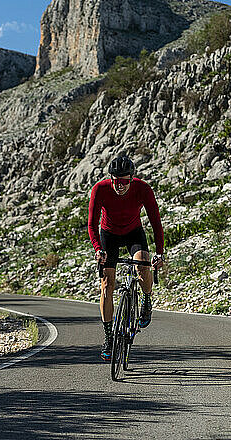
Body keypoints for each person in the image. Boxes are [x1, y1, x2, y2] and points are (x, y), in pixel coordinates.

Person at [88, 154, 164, 362]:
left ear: (132, 178)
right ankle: (109, 338)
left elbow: (155, 221)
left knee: (142, 266)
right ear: (110, 178)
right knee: (107, 285)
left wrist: (160, 252)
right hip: (108, 235)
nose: (120, 186)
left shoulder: (143, 189)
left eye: (124, 182)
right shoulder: (100, 189)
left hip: (133, 233)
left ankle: (146, 299)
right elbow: (91, 224)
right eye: (116, 181)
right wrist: (97, 249)